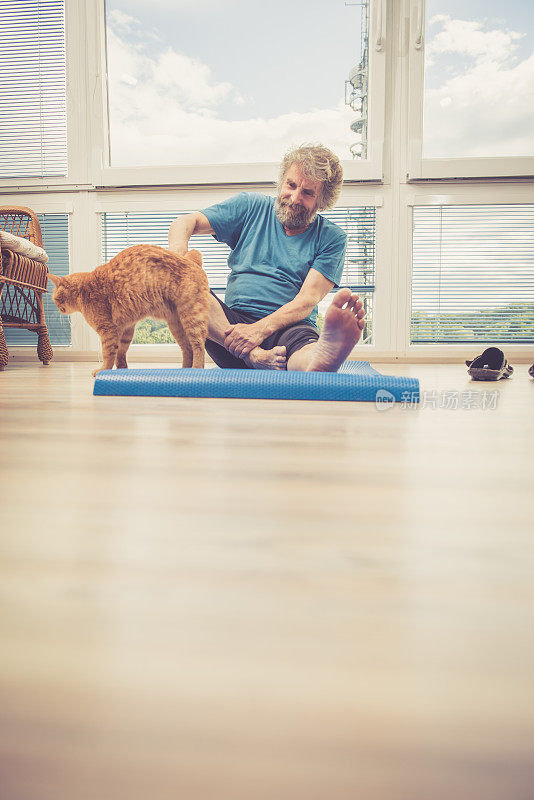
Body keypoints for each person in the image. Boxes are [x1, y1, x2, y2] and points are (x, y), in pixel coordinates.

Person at [168, 144, 365, 371]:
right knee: (190, 290)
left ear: (322, 201)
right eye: (291, 185)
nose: (294, 198)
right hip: (229, 328)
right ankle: (254, 356)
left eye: (308, 193)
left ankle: (320, 362)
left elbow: (307, 300)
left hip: (290, 327)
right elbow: (184, 222)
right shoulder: (251, 207)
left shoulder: (332, 237)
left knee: (306, 351)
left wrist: (259, 330)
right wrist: (177, 257)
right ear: (282, 181)